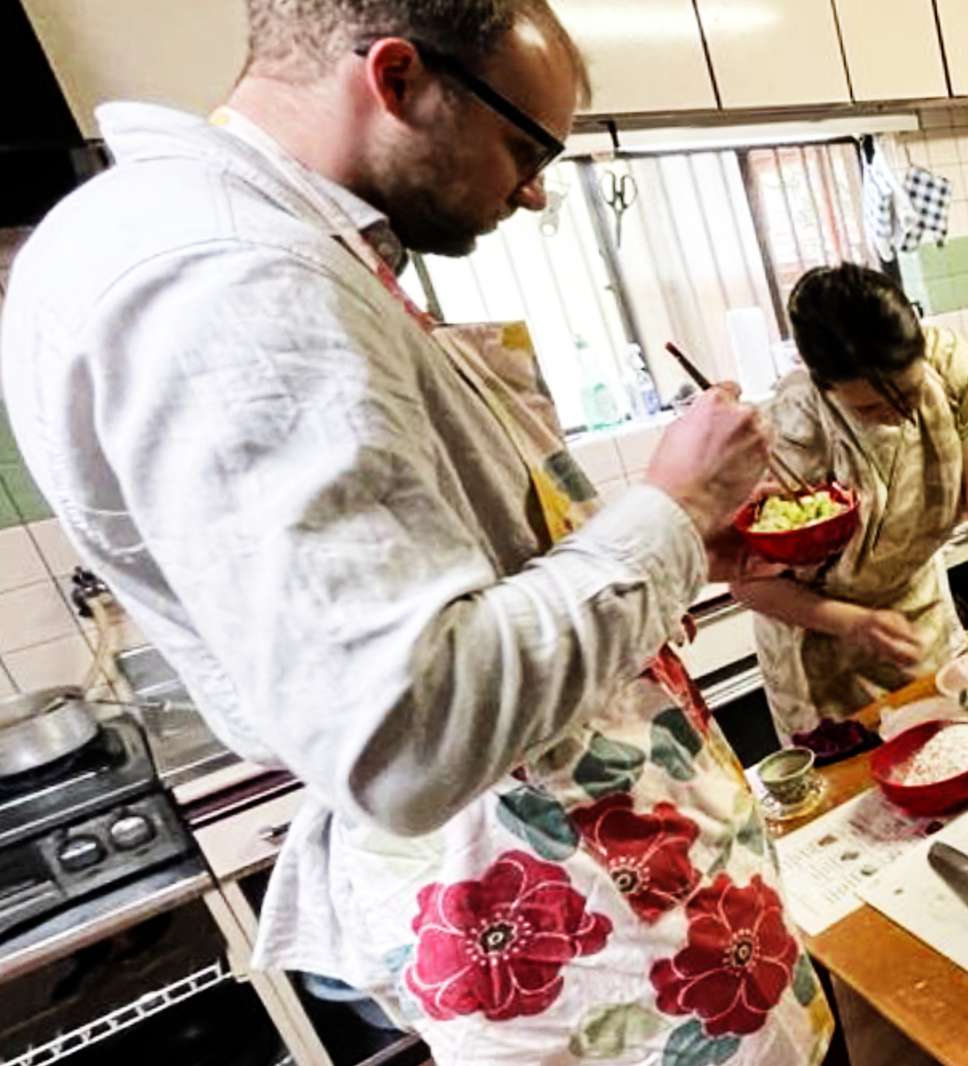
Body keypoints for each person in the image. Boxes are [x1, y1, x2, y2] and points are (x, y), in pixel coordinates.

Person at [0, 3, 835, 1063]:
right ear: (395, 77)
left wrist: (675, 547)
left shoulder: (258, 239)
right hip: (588, 946)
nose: (532, 192)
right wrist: (669, 512)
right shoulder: (231, 275)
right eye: (526, 148)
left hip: (640, 907)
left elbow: (450, 579)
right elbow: (410, 729)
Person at [736, 264, 968, 745]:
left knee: (958, 748)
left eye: (908, 393)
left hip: (919, 614)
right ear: (824, 384)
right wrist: (851, 621)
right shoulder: (792, 424)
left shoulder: (954, 369)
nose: (897, 414)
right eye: (869, 410)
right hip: (820, 644)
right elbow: (748, 583)